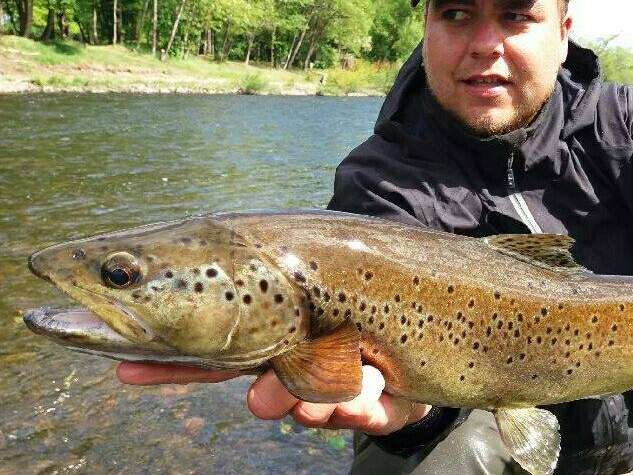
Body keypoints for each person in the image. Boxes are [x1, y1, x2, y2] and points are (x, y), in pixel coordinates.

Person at [118, 0, 633, 473]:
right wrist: (417, 409)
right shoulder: (378, 184)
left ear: (564, 35)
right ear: (426, 27)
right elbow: (396, 385)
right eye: (456, 13)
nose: (483, 43)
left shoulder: (621, 125)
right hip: (476, 411)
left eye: (516, 15)